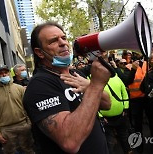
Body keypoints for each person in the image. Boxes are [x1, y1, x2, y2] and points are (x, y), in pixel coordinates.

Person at [23, 21, 111, 154]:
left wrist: (90, 87)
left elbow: (106, 104)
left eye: (64, 38)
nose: (63, 43)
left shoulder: (76, 74)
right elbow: (70, 142)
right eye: (53, 41)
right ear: (39, 53)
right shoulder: (39, 86)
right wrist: (96, 85)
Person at [0, 65, 34, 154]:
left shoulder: (20, 89)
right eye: (1, 74)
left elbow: (28, 107)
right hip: (6, 130)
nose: (4, 75)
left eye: (6, 72)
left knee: (29, 151)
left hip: (23, 126)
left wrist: (29, 124)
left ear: (9, 73)